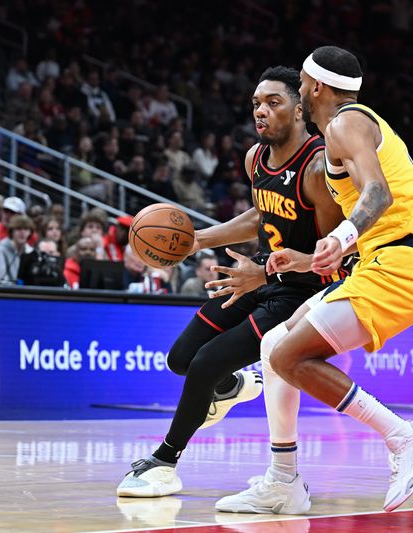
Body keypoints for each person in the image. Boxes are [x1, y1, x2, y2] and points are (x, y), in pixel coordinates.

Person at [215, 46, 413, 515]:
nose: (299, 91)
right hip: (386, 259)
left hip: (403, 263)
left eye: (301, 82)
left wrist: (341, 238)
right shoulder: (343, 133)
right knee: (275, 344)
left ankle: (406, 438)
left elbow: (378, 195)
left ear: (315, 86)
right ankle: (283, 481)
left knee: (286, 355)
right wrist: (306, 259)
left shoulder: (345, 121)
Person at [117, 66, 347, 498]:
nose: (261, 111)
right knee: (182, 358)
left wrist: (268, 272)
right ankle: (236, 387)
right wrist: (197, 240)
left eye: (273, 102)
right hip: (259, 275)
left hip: (302, 288)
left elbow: (331, 253)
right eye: (256, 104)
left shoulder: (318, 168)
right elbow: (261, 215)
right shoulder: (255, 158)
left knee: (206, 364)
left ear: (300, 111)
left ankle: (164, 462)